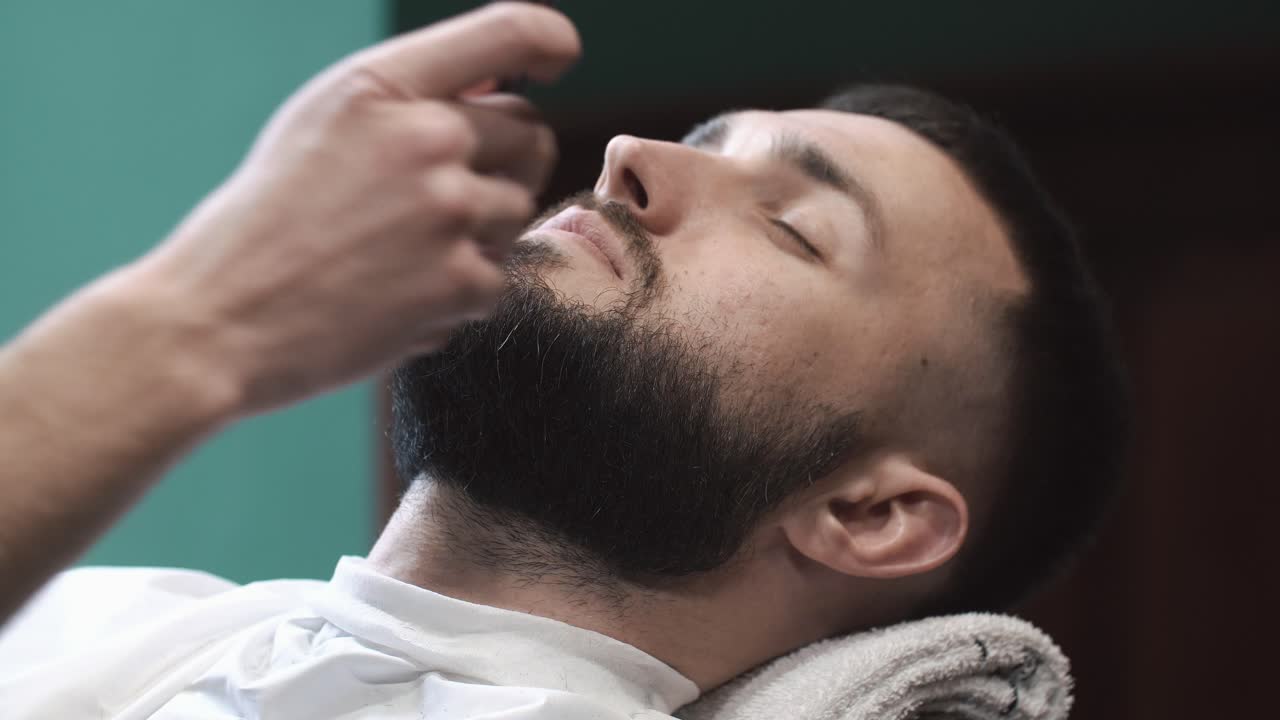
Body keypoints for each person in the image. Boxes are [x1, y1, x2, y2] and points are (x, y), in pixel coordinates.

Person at [0, 3, 1128, 719]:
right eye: (700, 147)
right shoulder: (81, 620)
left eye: (792, 227)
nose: (628, 158)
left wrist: (209, 316)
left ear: (871, 513)